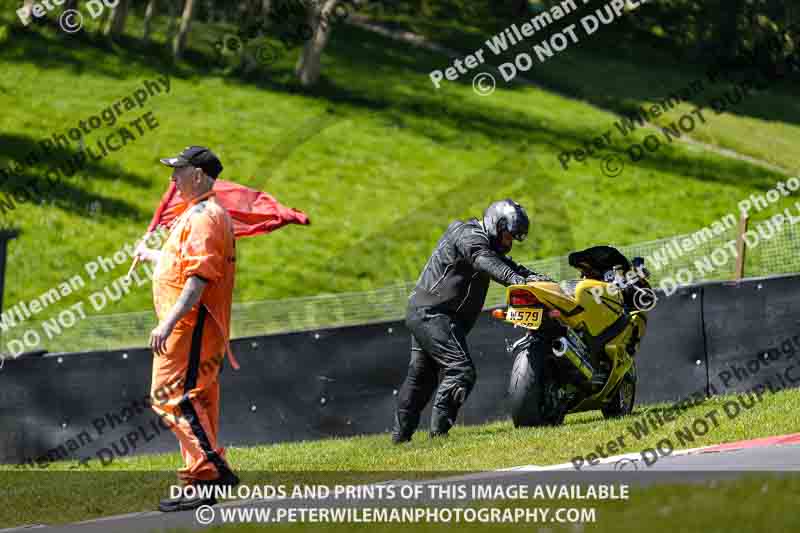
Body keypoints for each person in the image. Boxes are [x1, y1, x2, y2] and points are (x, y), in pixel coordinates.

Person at [135, 146, 240, 512]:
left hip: (190, 327)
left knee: (170, 398)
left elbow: (197, 279)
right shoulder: (199, 214)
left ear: (197, 174)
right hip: (194, 328)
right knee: (196, 402)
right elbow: (182, 264)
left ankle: (211, 470)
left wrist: (167, 322)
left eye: (178, 171)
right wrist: (153, 256)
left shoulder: (204, 216)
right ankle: (203, 481)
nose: (172, 180)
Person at [392, 199, 549, 443]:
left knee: (421, 379)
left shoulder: (486, 246)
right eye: (508, 236)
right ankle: (439, 438)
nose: (509, 244)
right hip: (433, 314)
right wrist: (517, 281)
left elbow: (509, 265)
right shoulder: (468, 234)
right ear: (497, 224)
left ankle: (400, 440)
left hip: (430, 313)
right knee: (461, 371)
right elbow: (483, 259)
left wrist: (539, 280)